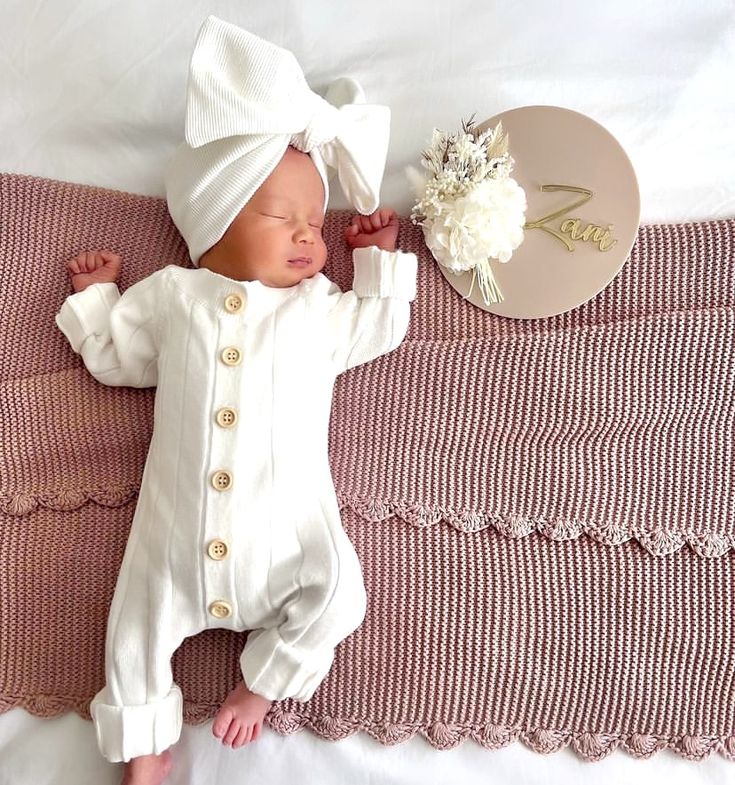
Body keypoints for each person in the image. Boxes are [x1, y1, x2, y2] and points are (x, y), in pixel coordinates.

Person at [55, 16, 417, 785]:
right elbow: (119, 359)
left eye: (314, 224)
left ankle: (262, 683)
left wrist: (379, 263)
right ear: (214, 218)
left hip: (290, 539)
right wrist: (96, 300)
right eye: (280, 217)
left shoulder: (318, 308)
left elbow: (376, 328)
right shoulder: (173, 296)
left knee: (339, 594)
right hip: (173, 542)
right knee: (133, 628)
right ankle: (146, 743)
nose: (307, 237)